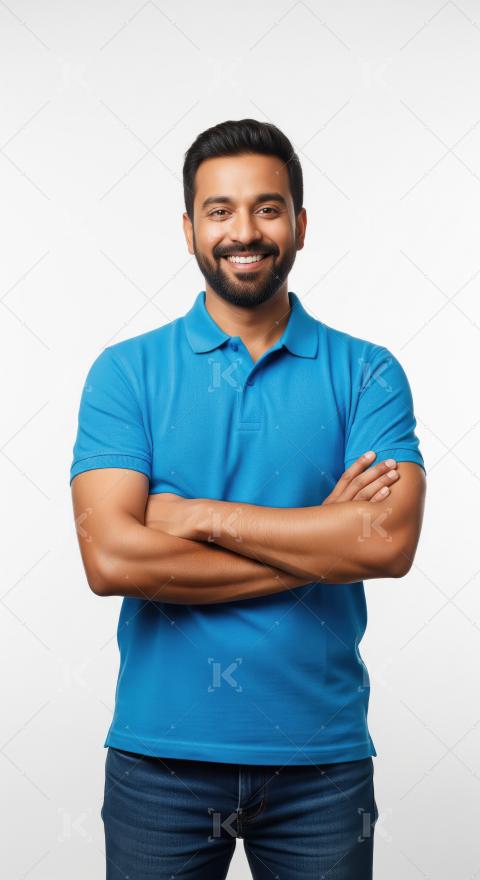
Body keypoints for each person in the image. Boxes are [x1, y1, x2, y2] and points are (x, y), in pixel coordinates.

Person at [70, 118, 426, 879]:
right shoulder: (125, 373)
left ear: (300, 224)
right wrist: (323, 542)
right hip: (158, 756)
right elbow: (110, 558)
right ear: (190, 228)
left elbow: (387, 543)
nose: (245, 231)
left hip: (320, 760)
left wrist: (200, 517)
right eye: (220, 210)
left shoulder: (368, 374)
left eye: (268, 208)